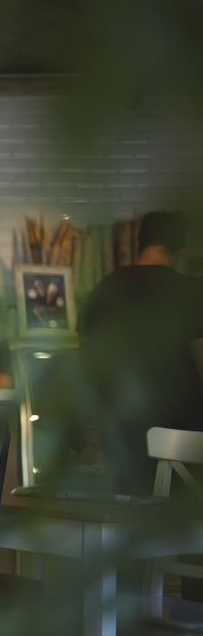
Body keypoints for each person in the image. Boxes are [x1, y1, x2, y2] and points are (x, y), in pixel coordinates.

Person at [78, 211, 203, 495]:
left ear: (138, 242)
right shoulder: (193, 293)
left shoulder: (104, 290)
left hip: (121, 444)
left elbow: (86, 372)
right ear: (180, 249)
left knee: (129, 523)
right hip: (183, 443)